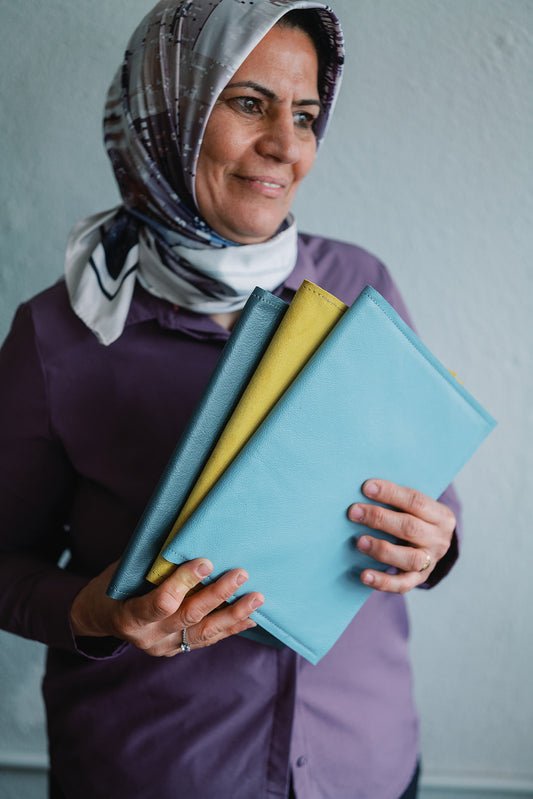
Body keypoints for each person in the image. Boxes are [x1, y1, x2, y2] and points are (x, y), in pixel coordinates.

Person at [0, 1, 460, 797]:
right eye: (248, 103)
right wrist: (96, 612)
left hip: (368, 764)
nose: (286, 146)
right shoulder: (59, 333)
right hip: (157, 773)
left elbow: (432, 507)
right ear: (168, 111)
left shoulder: (361, 285)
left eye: (307, 115)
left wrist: (432, 544)